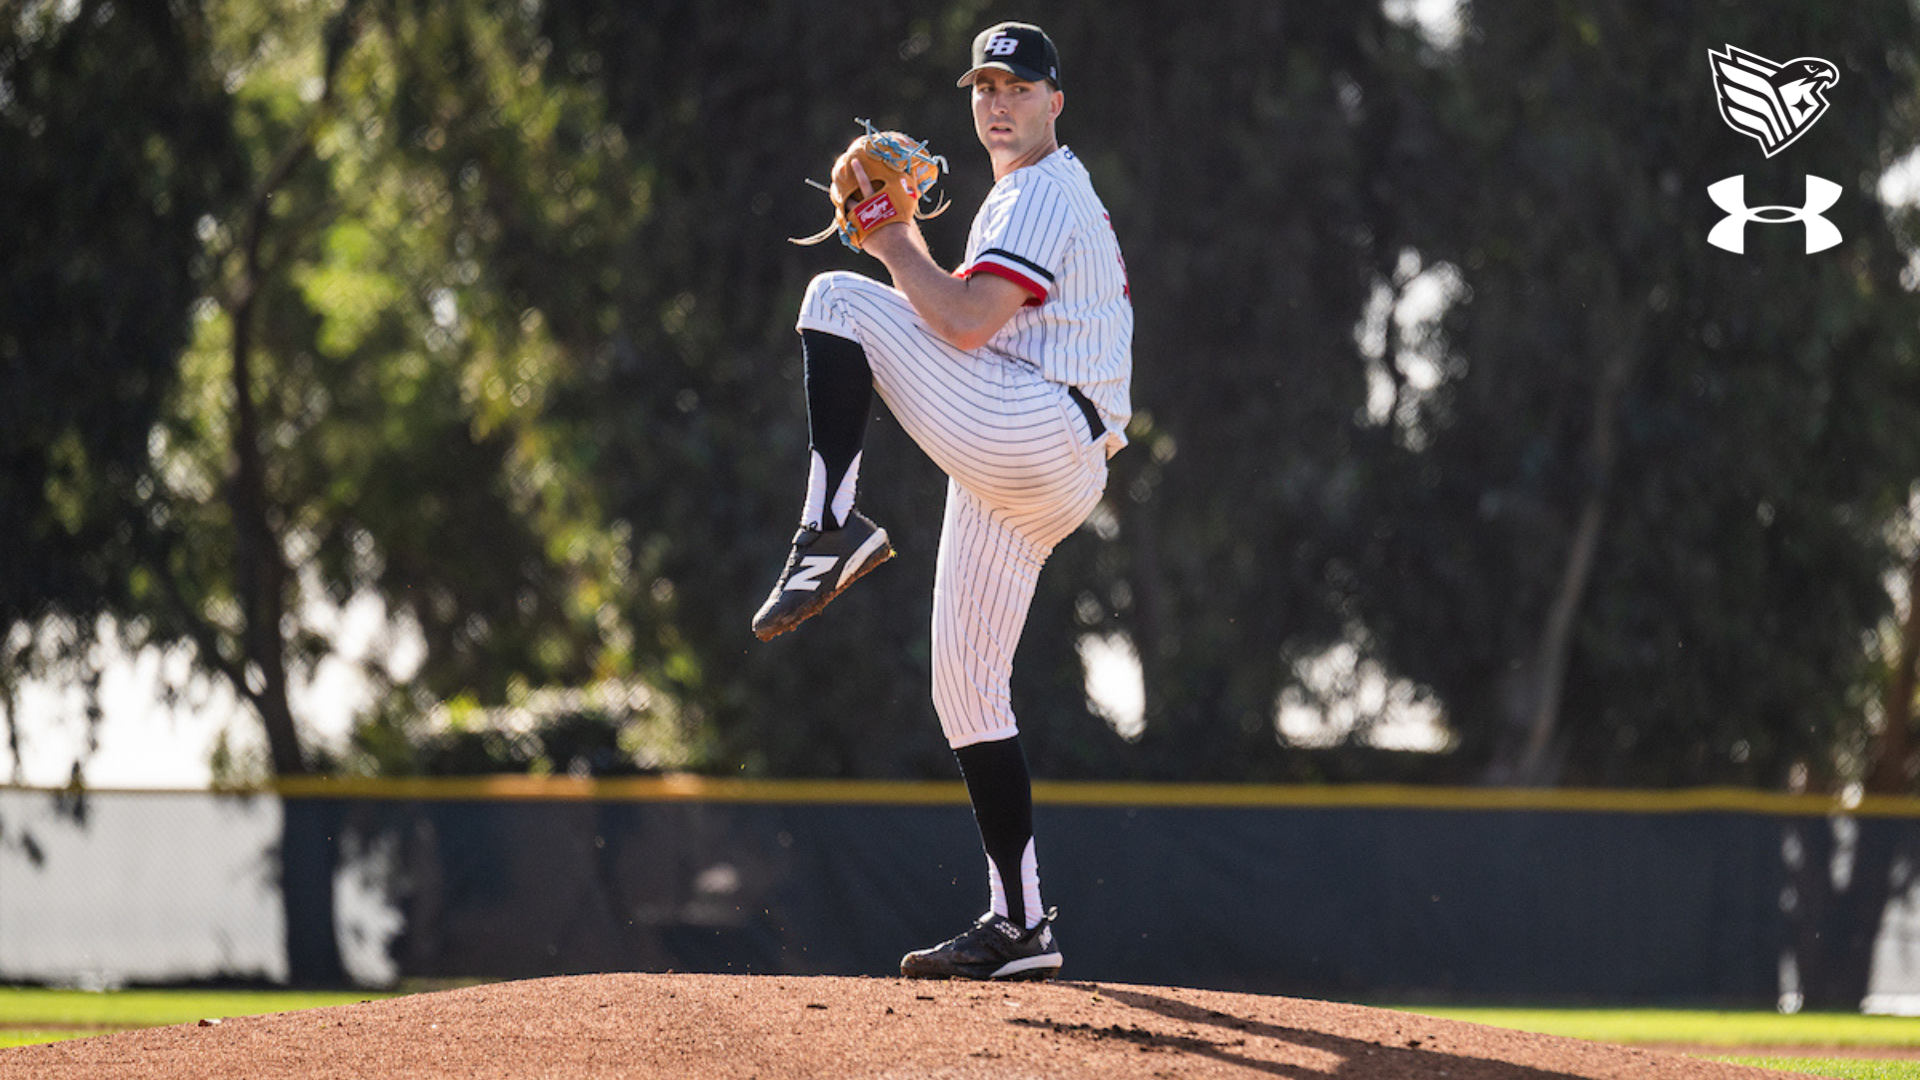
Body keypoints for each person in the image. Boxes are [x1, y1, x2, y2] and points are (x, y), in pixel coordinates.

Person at [752, 21, 1133, 981]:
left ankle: (829, 528)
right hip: (1034, 459)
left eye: (1018, 86)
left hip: (1042, 430)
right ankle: (1022, 922)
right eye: (983, 87)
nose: (998, 102)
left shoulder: (1041, 193)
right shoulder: (1019, 202)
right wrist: (909, 250)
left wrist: (890, 240)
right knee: (964, 686)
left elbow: (959, 323)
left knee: (834, 301)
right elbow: (962, 319)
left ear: (1056, 101)